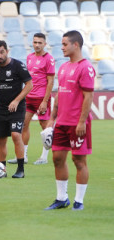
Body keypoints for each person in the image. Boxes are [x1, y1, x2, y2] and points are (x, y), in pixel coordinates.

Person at [44, 31, 94, 211]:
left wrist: (82, 122)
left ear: (76, 45)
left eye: (65, 44)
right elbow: (59, 95)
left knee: (79, 161)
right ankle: (61, 198)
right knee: (57, 158)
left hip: (77, 124)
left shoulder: (85, 67)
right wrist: (52, 118)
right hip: (62, 123)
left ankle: (79, 201)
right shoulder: (64, 67)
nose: (62, 47)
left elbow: (88, 97)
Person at [0, 40, 33, 178]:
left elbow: (29, 85)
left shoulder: (17, 65)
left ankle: (20, 169)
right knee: (0, 139)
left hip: (17, 108)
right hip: (1, 108)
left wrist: (17, 100)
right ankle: (2, 169)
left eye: (2, 52)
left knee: (16, 135)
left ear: (7, 51)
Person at [8, 33, 55, 165]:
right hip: (29, 97)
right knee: (23, 125)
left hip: (41, 98)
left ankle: (44, 157)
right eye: (35, 42)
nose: (37, 45)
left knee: (45, 128)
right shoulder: (29, 57)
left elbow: (50, 81)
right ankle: (23, 156)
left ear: (45, 44)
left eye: (40, 42)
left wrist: (45, 101)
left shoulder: (49, 59)